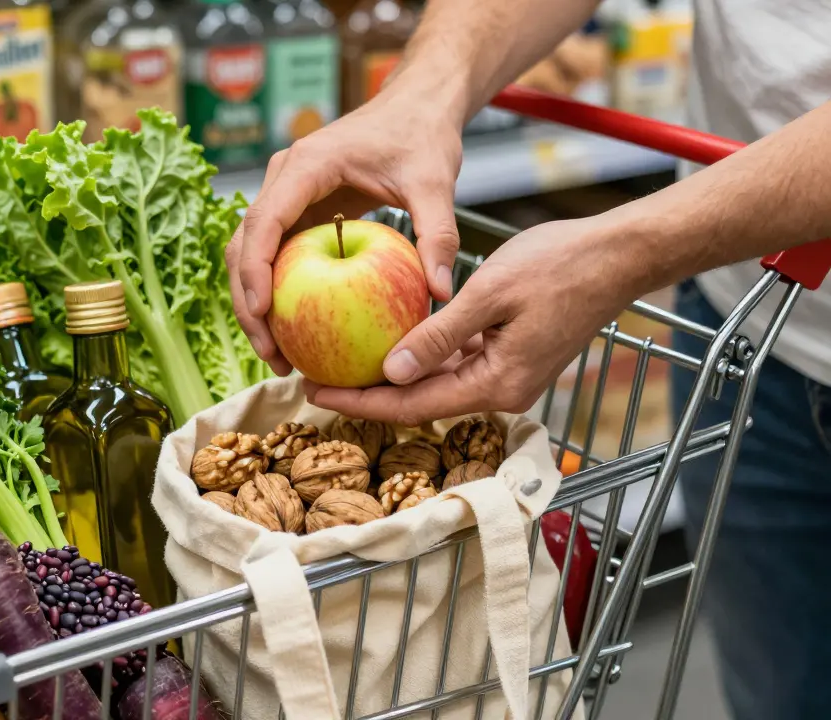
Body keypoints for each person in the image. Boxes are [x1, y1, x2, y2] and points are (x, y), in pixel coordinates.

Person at [225, 1, 831, 718]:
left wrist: (622, 253)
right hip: (748, 325)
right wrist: (422, 97)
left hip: (736, 263)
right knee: (778, 692)